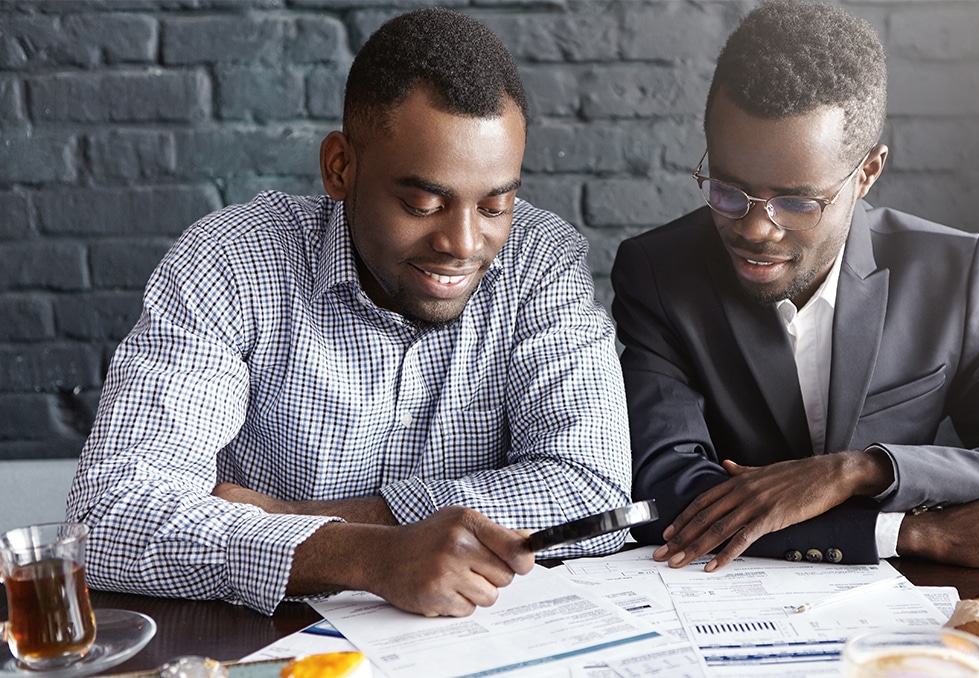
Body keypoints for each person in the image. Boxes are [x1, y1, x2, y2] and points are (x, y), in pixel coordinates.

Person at [67, 8, 630, 617]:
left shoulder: (541, 262)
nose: (464, 244)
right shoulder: (231, 262)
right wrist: (366, 557)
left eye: (495, 206)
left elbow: (592, 490)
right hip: (267, 638)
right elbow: (107, 513)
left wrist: (294, 520)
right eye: (422, 203)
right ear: (340, 167)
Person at [610, 0, 979, 574]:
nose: (754, 228)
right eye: (728, 189)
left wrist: (860, 470)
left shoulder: (954, 275)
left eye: (798, 201)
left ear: (867, 174)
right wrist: (908, 531)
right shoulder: (658, 273)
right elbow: (661, 496)